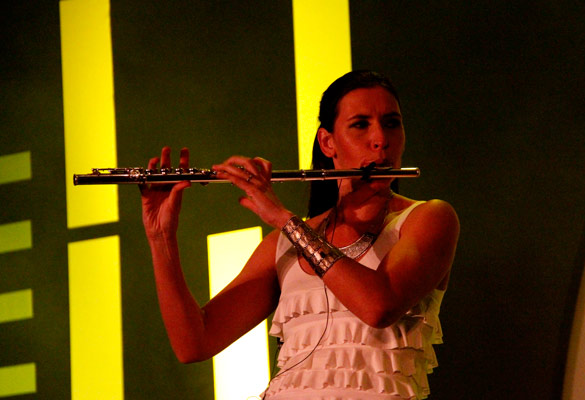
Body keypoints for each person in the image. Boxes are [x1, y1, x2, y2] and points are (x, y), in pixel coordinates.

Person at [140, 70, 459, 399]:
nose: (380, 139)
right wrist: (161, 238)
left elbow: (379, 306)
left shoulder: (428, 218)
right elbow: (194, 343)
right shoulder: (281, 245)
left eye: (391, 123)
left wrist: (284, 219)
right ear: (328, 142)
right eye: (360, 125)